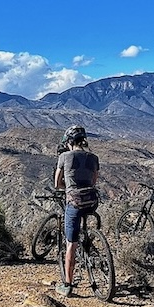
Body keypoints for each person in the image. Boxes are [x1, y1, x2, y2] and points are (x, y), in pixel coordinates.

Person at [53, 125, 99, 297]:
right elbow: (94, 181)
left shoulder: (65, 156)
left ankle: (67, 284)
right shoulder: (94, 157)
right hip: (92, 201)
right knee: (84, 223)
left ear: (69, 142)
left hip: (74, 202)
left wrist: (68, 187)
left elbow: (57, 183)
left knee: (71, 243)